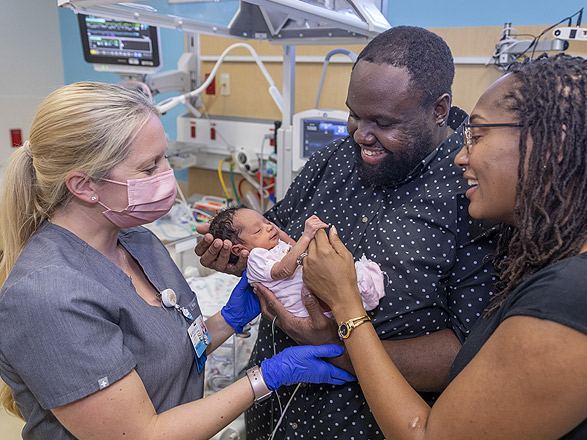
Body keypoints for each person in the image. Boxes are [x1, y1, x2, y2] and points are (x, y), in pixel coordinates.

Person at [303, 53, 587, 439]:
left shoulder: (581, 298)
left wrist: (345, 303)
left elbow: (427, 435)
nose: (461, 155)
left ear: (553, 145)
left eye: (478, 135)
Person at [0, 82, 354, 440]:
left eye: (164, 158)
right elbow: (141, 435)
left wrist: (225, 321)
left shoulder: (139, 243)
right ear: (84, 186)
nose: (167, 175)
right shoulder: (48, 295)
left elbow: (171, 353)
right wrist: (266, 377)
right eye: (149, 167)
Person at [195, 26, 498, 439]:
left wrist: (337, 346)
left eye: (383, 122)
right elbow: (271, 237)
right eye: (354, 114)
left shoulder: (476, 191)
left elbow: (470, 355)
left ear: (439, 109)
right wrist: (244, 259)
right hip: (273, 418)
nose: (361, 134)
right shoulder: (333, 160)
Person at [208, 207, 384, 317]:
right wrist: (306, 235)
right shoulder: (256, 258)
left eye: (266, 221)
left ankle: (361, 289)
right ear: (238, 250)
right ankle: (360, 293)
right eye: (258, 230)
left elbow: (294, 248)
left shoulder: (274, 245)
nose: (269, 227)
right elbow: (283, 271)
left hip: (310, 292)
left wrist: (284, 235)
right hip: (300, 307)